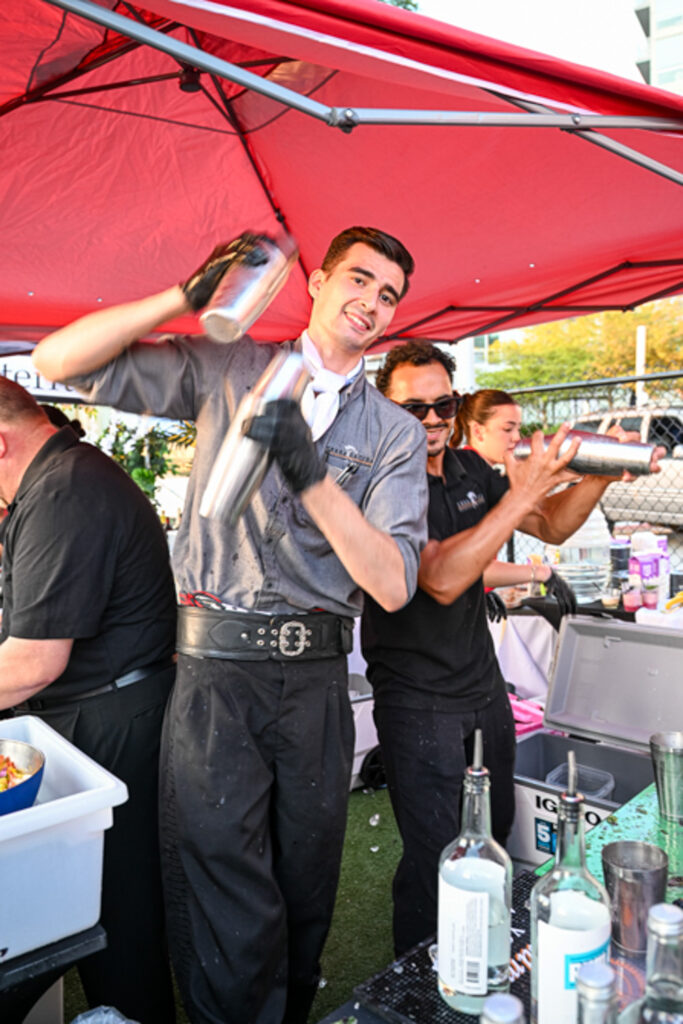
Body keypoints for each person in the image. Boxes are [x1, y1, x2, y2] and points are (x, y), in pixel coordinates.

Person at [31, 226, 429, 1024]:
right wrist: (181, 297)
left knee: (307, 886)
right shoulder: (229, 366)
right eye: (358, 279)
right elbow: (57, 361)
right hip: (216, 671)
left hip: (316, 681)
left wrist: (307, 470)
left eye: (388, 295)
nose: (371, 302)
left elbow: (390, 585)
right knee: (221, 885)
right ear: (316, 282)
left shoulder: (395, 431)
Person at [361, 341, 664, 956]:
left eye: (443, 405)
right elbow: (441, 578)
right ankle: (420, 979)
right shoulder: (381, 481)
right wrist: (523, 494)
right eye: (413, 408)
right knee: (437, 855)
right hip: (416, 698)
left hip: (481, 687)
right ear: (384, 408)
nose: (431, 420)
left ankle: (483, 954)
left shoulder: (470, 470)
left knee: (495, 830)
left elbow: (551, 524)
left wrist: (601, 473)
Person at [0, 378, 177, 1024]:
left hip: (111, 722)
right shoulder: (53, 482)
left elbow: (33, 662)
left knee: (118, 919)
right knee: (96, 909)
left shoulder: (65, 489)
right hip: (91, 714)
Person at [453, 389, 577, 618]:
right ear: (478, 431)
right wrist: (541, 573)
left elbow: (545, 517)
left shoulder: (484, 474)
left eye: (518, 429)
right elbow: (468, 566)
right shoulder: (465, 477)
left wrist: (484, 591)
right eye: (507, 429)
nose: (517, 438)